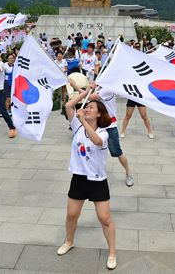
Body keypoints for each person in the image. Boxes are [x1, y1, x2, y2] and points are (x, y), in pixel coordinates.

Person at [57, 82, 117, 270]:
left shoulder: (104, 132)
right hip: (79, 177)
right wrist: (85, 93)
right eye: (87, 107)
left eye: (91, 107)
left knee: (104, 218)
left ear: (99, 114)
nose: (88, 109)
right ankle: (69, 241)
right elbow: (68, 106)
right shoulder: (76, 126)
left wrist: (83, 121)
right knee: (72, 214)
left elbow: (97, 141)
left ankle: (112, 253)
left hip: (98, 180)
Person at [82, 81, 134, 187]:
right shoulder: (100, 87)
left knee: (117, 152)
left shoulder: (108, 89)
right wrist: (91, 88)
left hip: (109, 126)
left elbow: (90, 97)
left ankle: (128, 173)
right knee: (92, 149)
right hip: (97, 124)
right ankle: (90, 173)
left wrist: (80, 88)